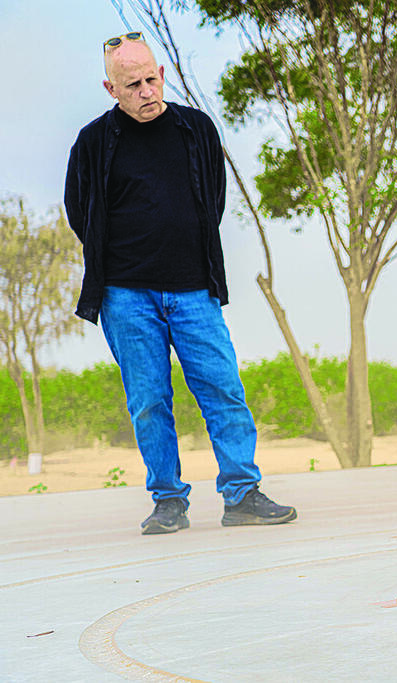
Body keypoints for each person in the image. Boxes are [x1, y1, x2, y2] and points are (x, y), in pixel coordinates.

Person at [64, 32, 296, 535]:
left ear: (162, 75)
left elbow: (212, 198)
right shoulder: (92, 142)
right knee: (148, 400)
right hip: (126, 295)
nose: (146, 91)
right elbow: (80, 212)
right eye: (132, 84)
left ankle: (242, 494)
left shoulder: (195, 128)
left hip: (194, 289)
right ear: (112, 89)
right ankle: (168, 500)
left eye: (151, 79)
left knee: (223, 388)